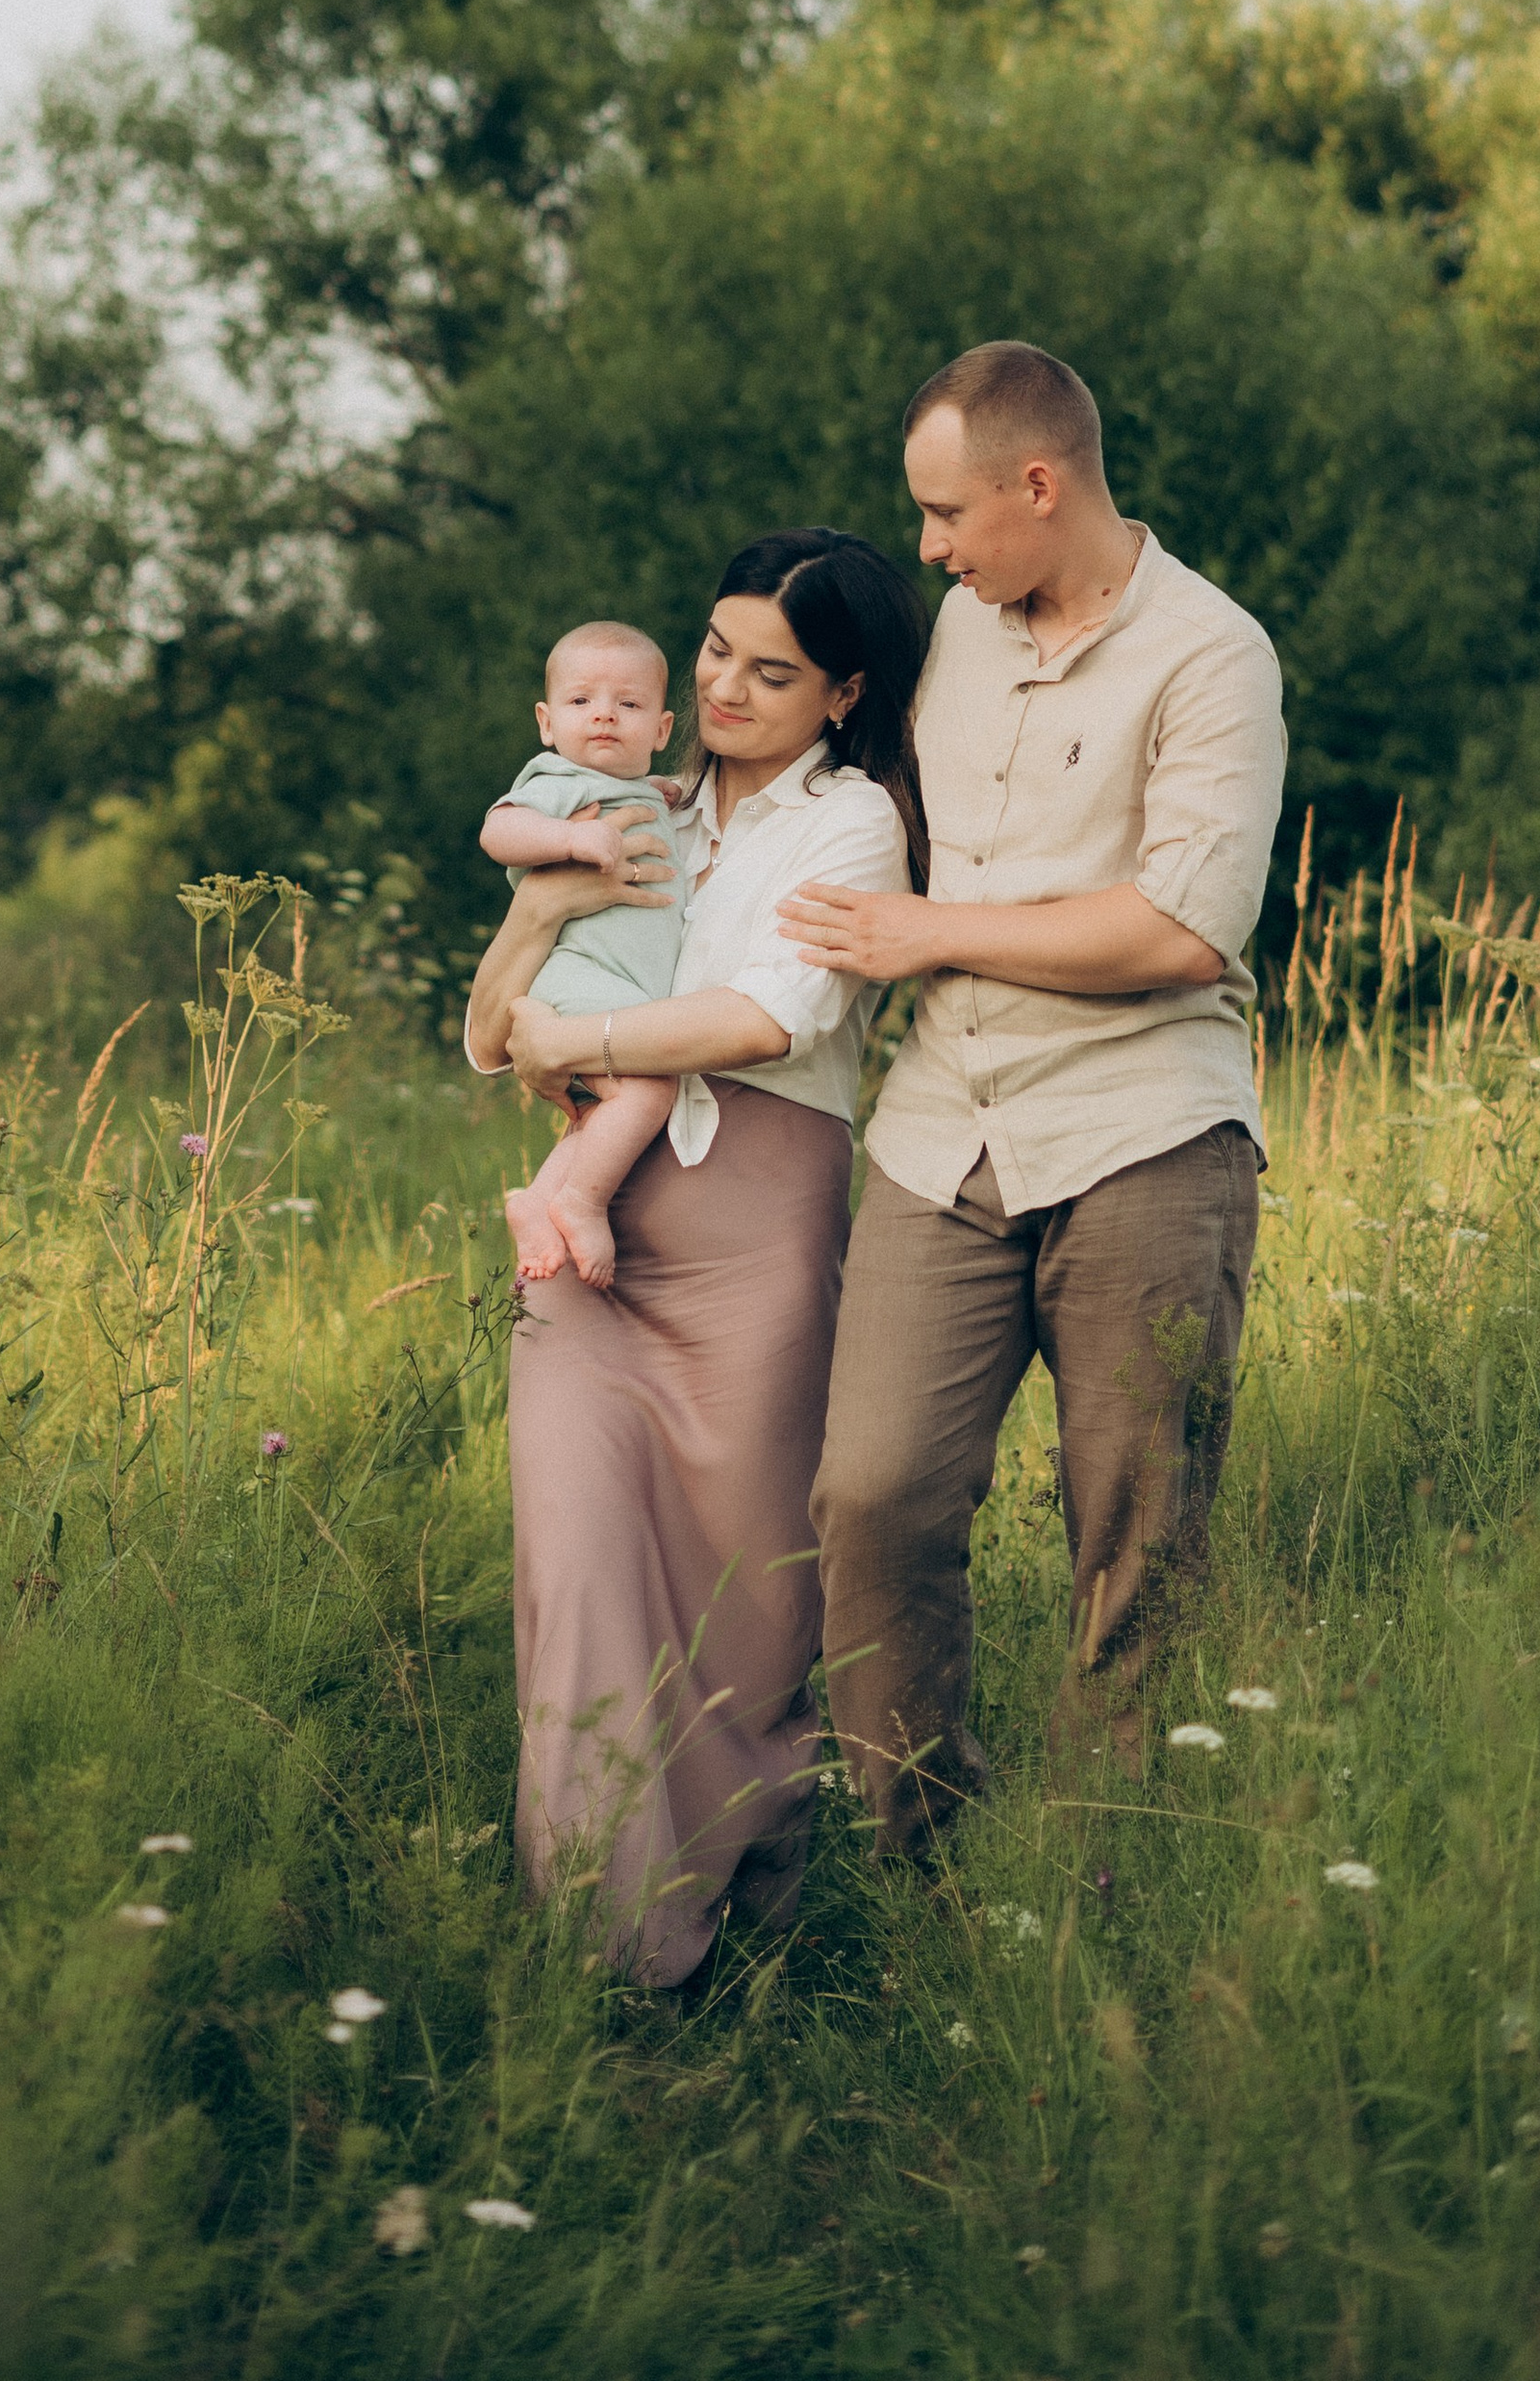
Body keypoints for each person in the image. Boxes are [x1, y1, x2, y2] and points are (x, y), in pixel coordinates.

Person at [780, 341, 1287, 1856]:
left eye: (948, 514)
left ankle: (1111, 1870)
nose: (931, 547)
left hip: (1145, 1133)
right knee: (871, 1500)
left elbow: (1183, 931)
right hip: (945, 1133)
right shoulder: (953, 628)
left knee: (1135, 1535)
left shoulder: (1212, 654)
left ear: (1038, 484)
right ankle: (921, 1856)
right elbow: (838, 780)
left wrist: (934, 935)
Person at [463, 531, 928, 1988]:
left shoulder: (851, 826)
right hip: (592, 1238)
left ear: (842, 692)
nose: (726, 686)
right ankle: (612, 1960)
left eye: (770, 670)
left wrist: (580, 1039)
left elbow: (768, 1017)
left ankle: (757, 1934)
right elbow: (490, 1028)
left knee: (750, 1604)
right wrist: (536, 950)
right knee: (583, 1574)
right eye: (716, 651)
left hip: (755, 1243)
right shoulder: (622, 799)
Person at [477, 619, 698, 1289]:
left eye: (627, 705)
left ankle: (538, 1206)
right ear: (547, 723)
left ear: (660, 731)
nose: (603, 713)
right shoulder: (557, 778)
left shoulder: (635, 790)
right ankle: (582, 1202)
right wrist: (571, 842)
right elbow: (499, 829)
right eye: (581, 702)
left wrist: (653, 793)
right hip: (582, 979)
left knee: (603, 1111)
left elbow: (646, 799)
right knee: (652, 1087)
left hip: (615, 985)